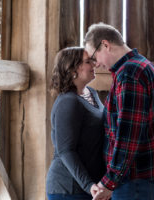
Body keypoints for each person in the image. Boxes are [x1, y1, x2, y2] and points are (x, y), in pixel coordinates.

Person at [84, 22, 154, 200]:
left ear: (105, 45)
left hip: (135, 179)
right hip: (138, 178)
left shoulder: (130, 74)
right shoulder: (138, 66)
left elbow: (128, 135)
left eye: (94, 57)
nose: (95, 64)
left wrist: (110, 181)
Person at [46, 47, 106, 200]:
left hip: (90, 186)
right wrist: (89, 185)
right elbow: (65, 150)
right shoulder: (68, 102)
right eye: (88, 62)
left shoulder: (91, 93)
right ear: (73, 70)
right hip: (69, 189)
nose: (94, 65)